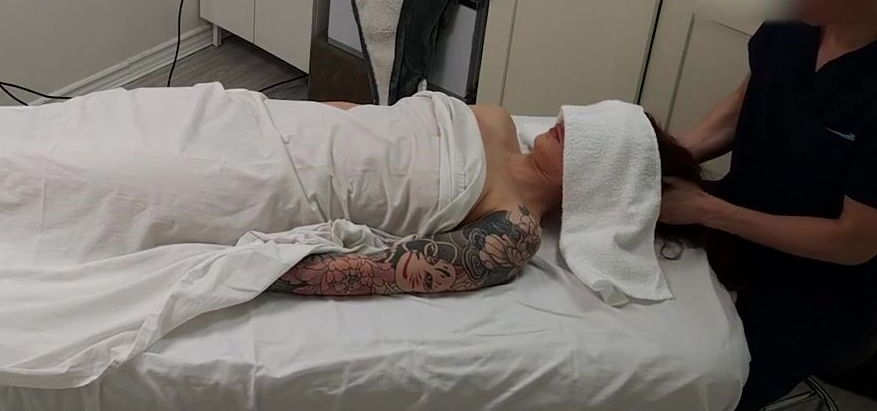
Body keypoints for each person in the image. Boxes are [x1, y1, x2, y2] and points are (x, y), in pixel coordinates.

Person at [657, 0, 877, 410]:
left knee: (695, 386)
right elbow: (748, 101)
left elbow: (854, 241)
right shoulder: (799, 18)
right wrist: (667, 156)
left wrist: (709, 211)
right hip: (737, 221)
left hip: (819, 287)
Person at [268, 101, 704, 297]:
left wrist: (260, 270)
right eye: (587, 119)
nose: (568, 122)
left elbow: (373, 274)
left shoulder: (513, 228)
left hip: (280, 182)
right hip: (277, 125)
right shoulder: (495, 119)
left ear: (601, 181)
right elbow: (364, 116)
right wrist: (274, 114)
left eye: (593, 141)